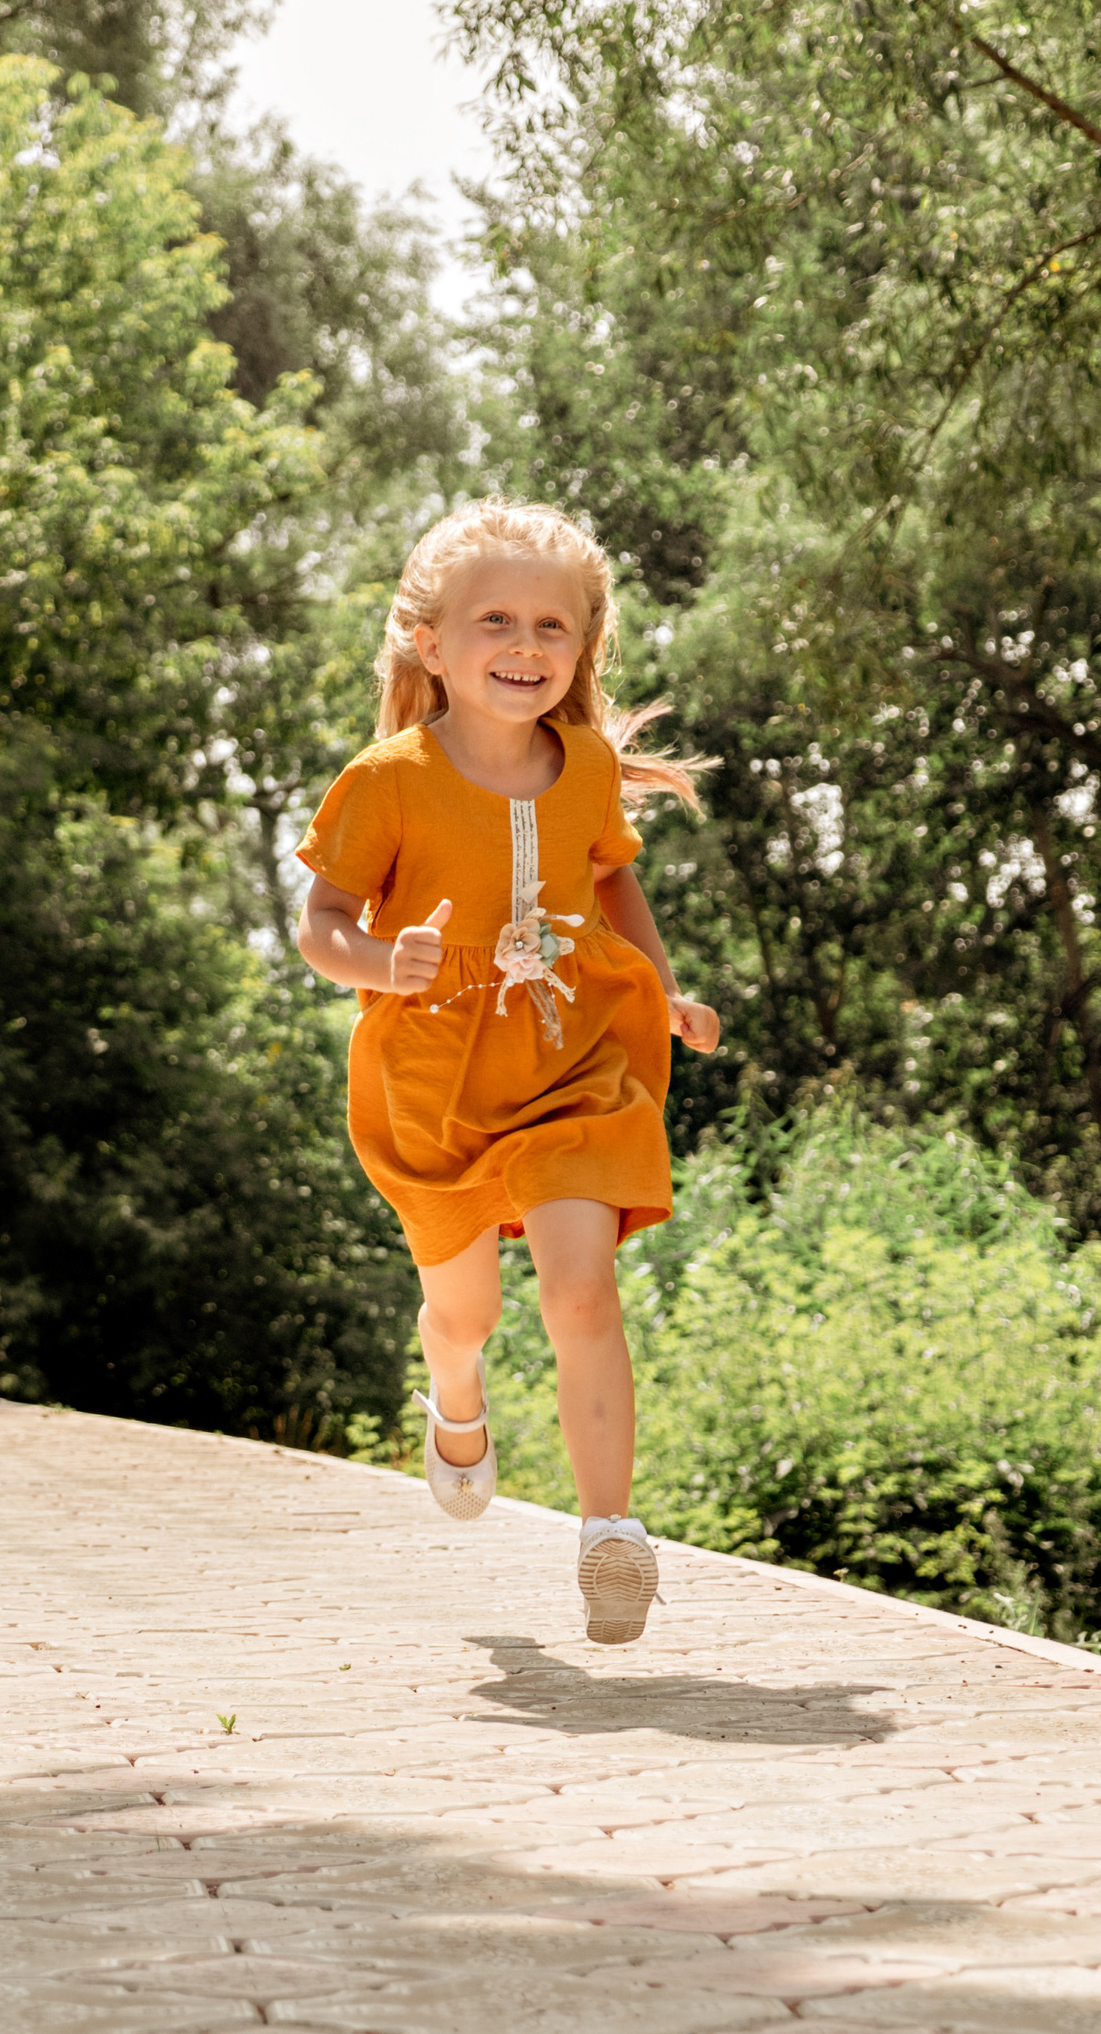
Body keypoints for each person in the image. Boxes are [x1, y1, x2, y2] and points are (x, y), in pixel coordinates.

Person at [293, 501, 720, 1644]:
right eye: (494, 620)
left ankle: (610, 1534)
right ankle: (457, 1402)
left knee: (581, 1282)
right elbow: (318, 924)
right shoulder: (385, 779)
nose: (525, 645)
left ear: (582, 648)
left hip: (569, 1054)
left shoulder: (583, 766)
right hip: (433, 1075)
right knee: (464, 1308)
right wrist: (385, 961)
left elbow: (613, 878)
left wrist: (664, 989)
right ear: (429, 641)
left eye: (552, 625)